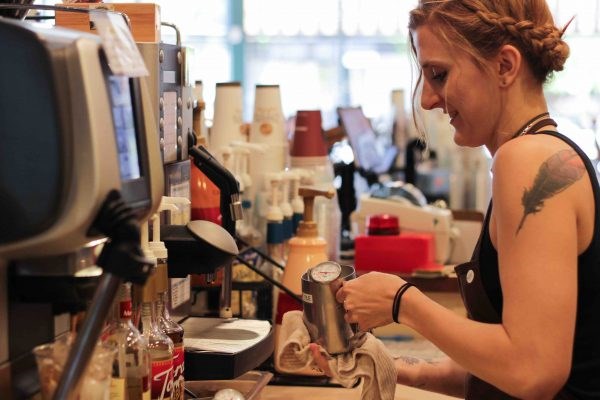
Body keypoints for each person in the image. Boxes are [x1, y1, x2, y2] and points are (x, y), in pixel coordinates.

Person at [310, 1, 600, 398]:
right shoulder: (535, 155)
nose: (429, 99)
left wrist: (401, 302)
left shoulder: (528, 161)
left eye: (439, 75)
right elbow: (499, 374)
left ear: (505, 66)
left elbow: (534, 370)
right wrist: (385, 363)